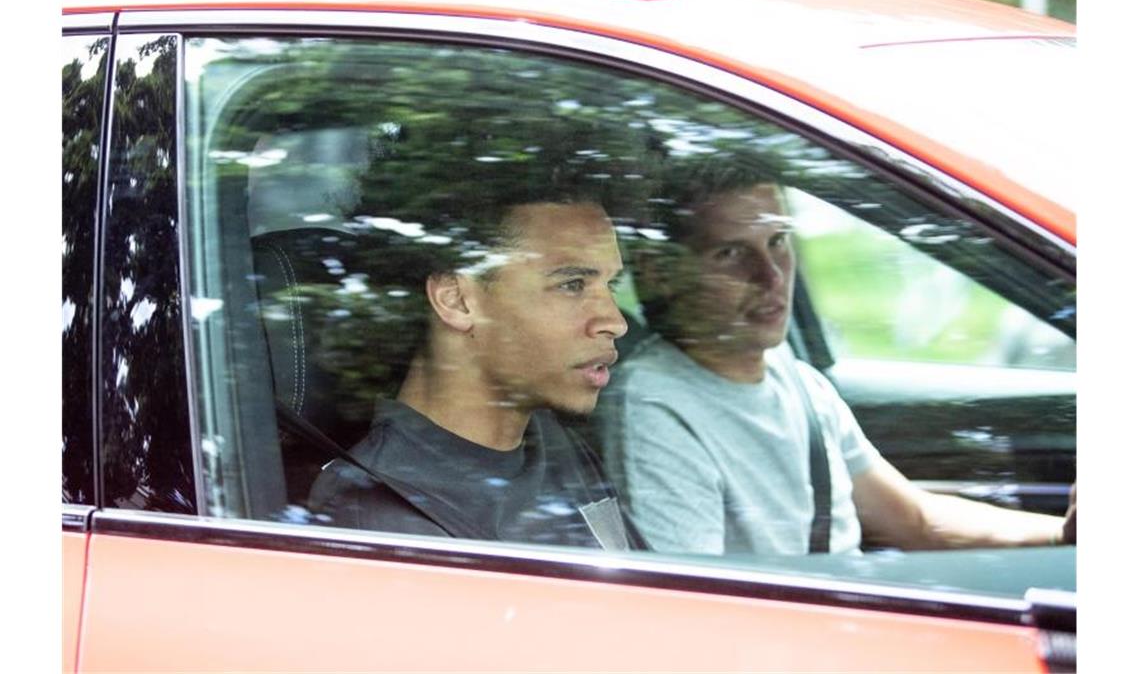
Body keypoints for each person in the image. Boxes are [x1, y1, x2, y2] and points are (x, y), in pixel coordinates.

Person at [595, 180, 1076, 556]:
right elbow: (695, 607)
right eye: (731, 253)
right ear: (661, 274)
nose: (773, 275)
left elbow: (914, 520)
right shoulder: (654, 406)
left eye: (779, 241)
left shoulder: (792, 376)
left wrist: (1065, 537)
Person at [309, 195, 644, 551]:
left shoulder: (556, 444)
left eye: (610, 285)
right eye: (572, 284)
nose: (616, 322)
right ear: (456, 300)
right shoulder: (384, 512)